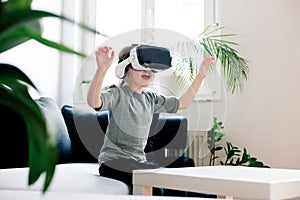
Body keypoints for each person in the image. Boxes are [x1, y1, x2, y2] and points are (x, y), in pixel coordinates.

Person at [87, 45, 215, 195]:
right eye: (141, 66)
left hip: (138, 161)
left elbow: (182, 103)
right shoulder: (117, 94)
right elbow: (94, 102)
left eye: (151, 68)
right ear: (126, 68)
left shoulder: (150, 99)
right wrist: (101, 69)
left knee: (175, 184)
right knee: (156, 188)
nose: (148, 71)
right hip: (113, 162)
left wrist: (200, 76)